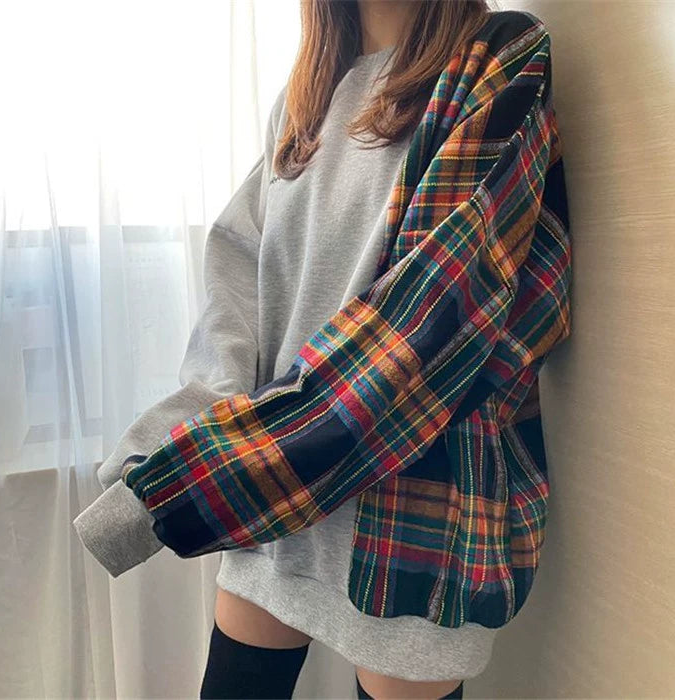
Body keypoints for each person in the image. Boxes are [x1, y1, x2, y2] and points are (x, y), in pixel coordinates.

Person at [72, 0, 571, 697]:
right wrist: (162, 455)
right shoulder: (303, 101)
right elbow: (237, 289)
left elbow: (427, 326)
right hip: (274, 501)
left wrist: (184, 484)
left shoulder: (499, 58)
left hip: (416, 515)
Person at [199, 1, 499, 698]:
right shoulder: (302, 102)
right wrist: (197, 446)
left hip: (415, 496)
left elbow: (440, 303)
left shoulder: (492, 63)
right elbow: (236, 275)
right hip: (277, 478)